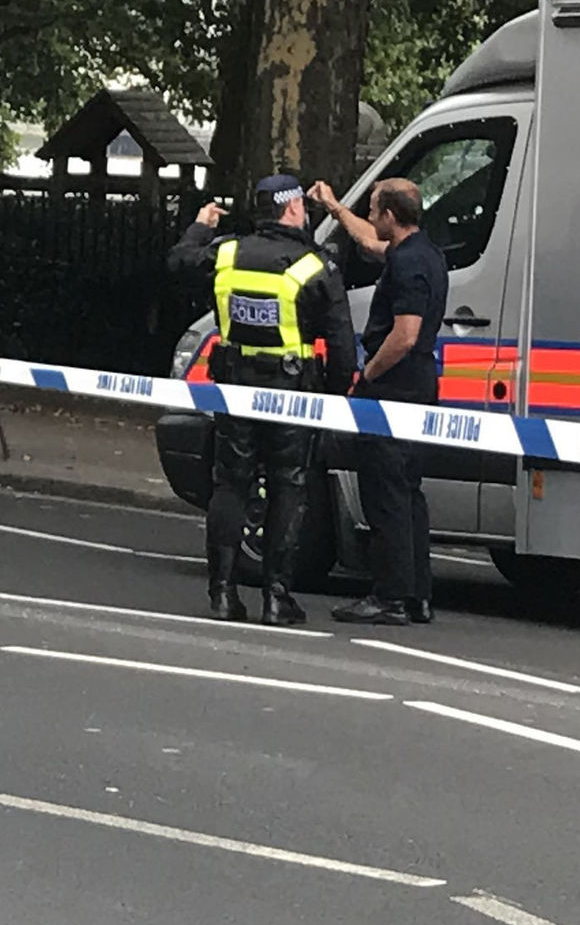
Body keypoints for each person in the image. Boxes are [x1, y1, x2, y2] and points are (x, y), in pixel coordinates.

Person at [168, 173, 355, 625]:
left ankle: (223, 594)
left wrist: (200, 225)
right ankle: (276, 597)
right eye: (301, 208)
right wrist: (331, 397)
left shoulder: (228, 253)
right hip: (291, 394)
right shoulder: (315, 266)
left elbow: (178, 262)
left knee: (230, 485)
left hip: (235, 389)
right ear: (291, 208)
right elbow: (344, 348)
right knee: (288, 486)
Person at [313, 176, 448, 625]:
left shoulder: (408, 265)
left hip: (394, 384)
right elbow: (371, 244)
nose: (371, 217)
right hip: (420, 383)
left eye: (374, 209)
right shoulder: (424, 253)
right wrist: (336, 209)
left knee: (384, 490)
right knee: (408, 491)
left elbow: (404, 335)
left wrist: (365, 376)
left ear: (391, 215)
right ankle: (416, 595)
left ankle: (388, 596)